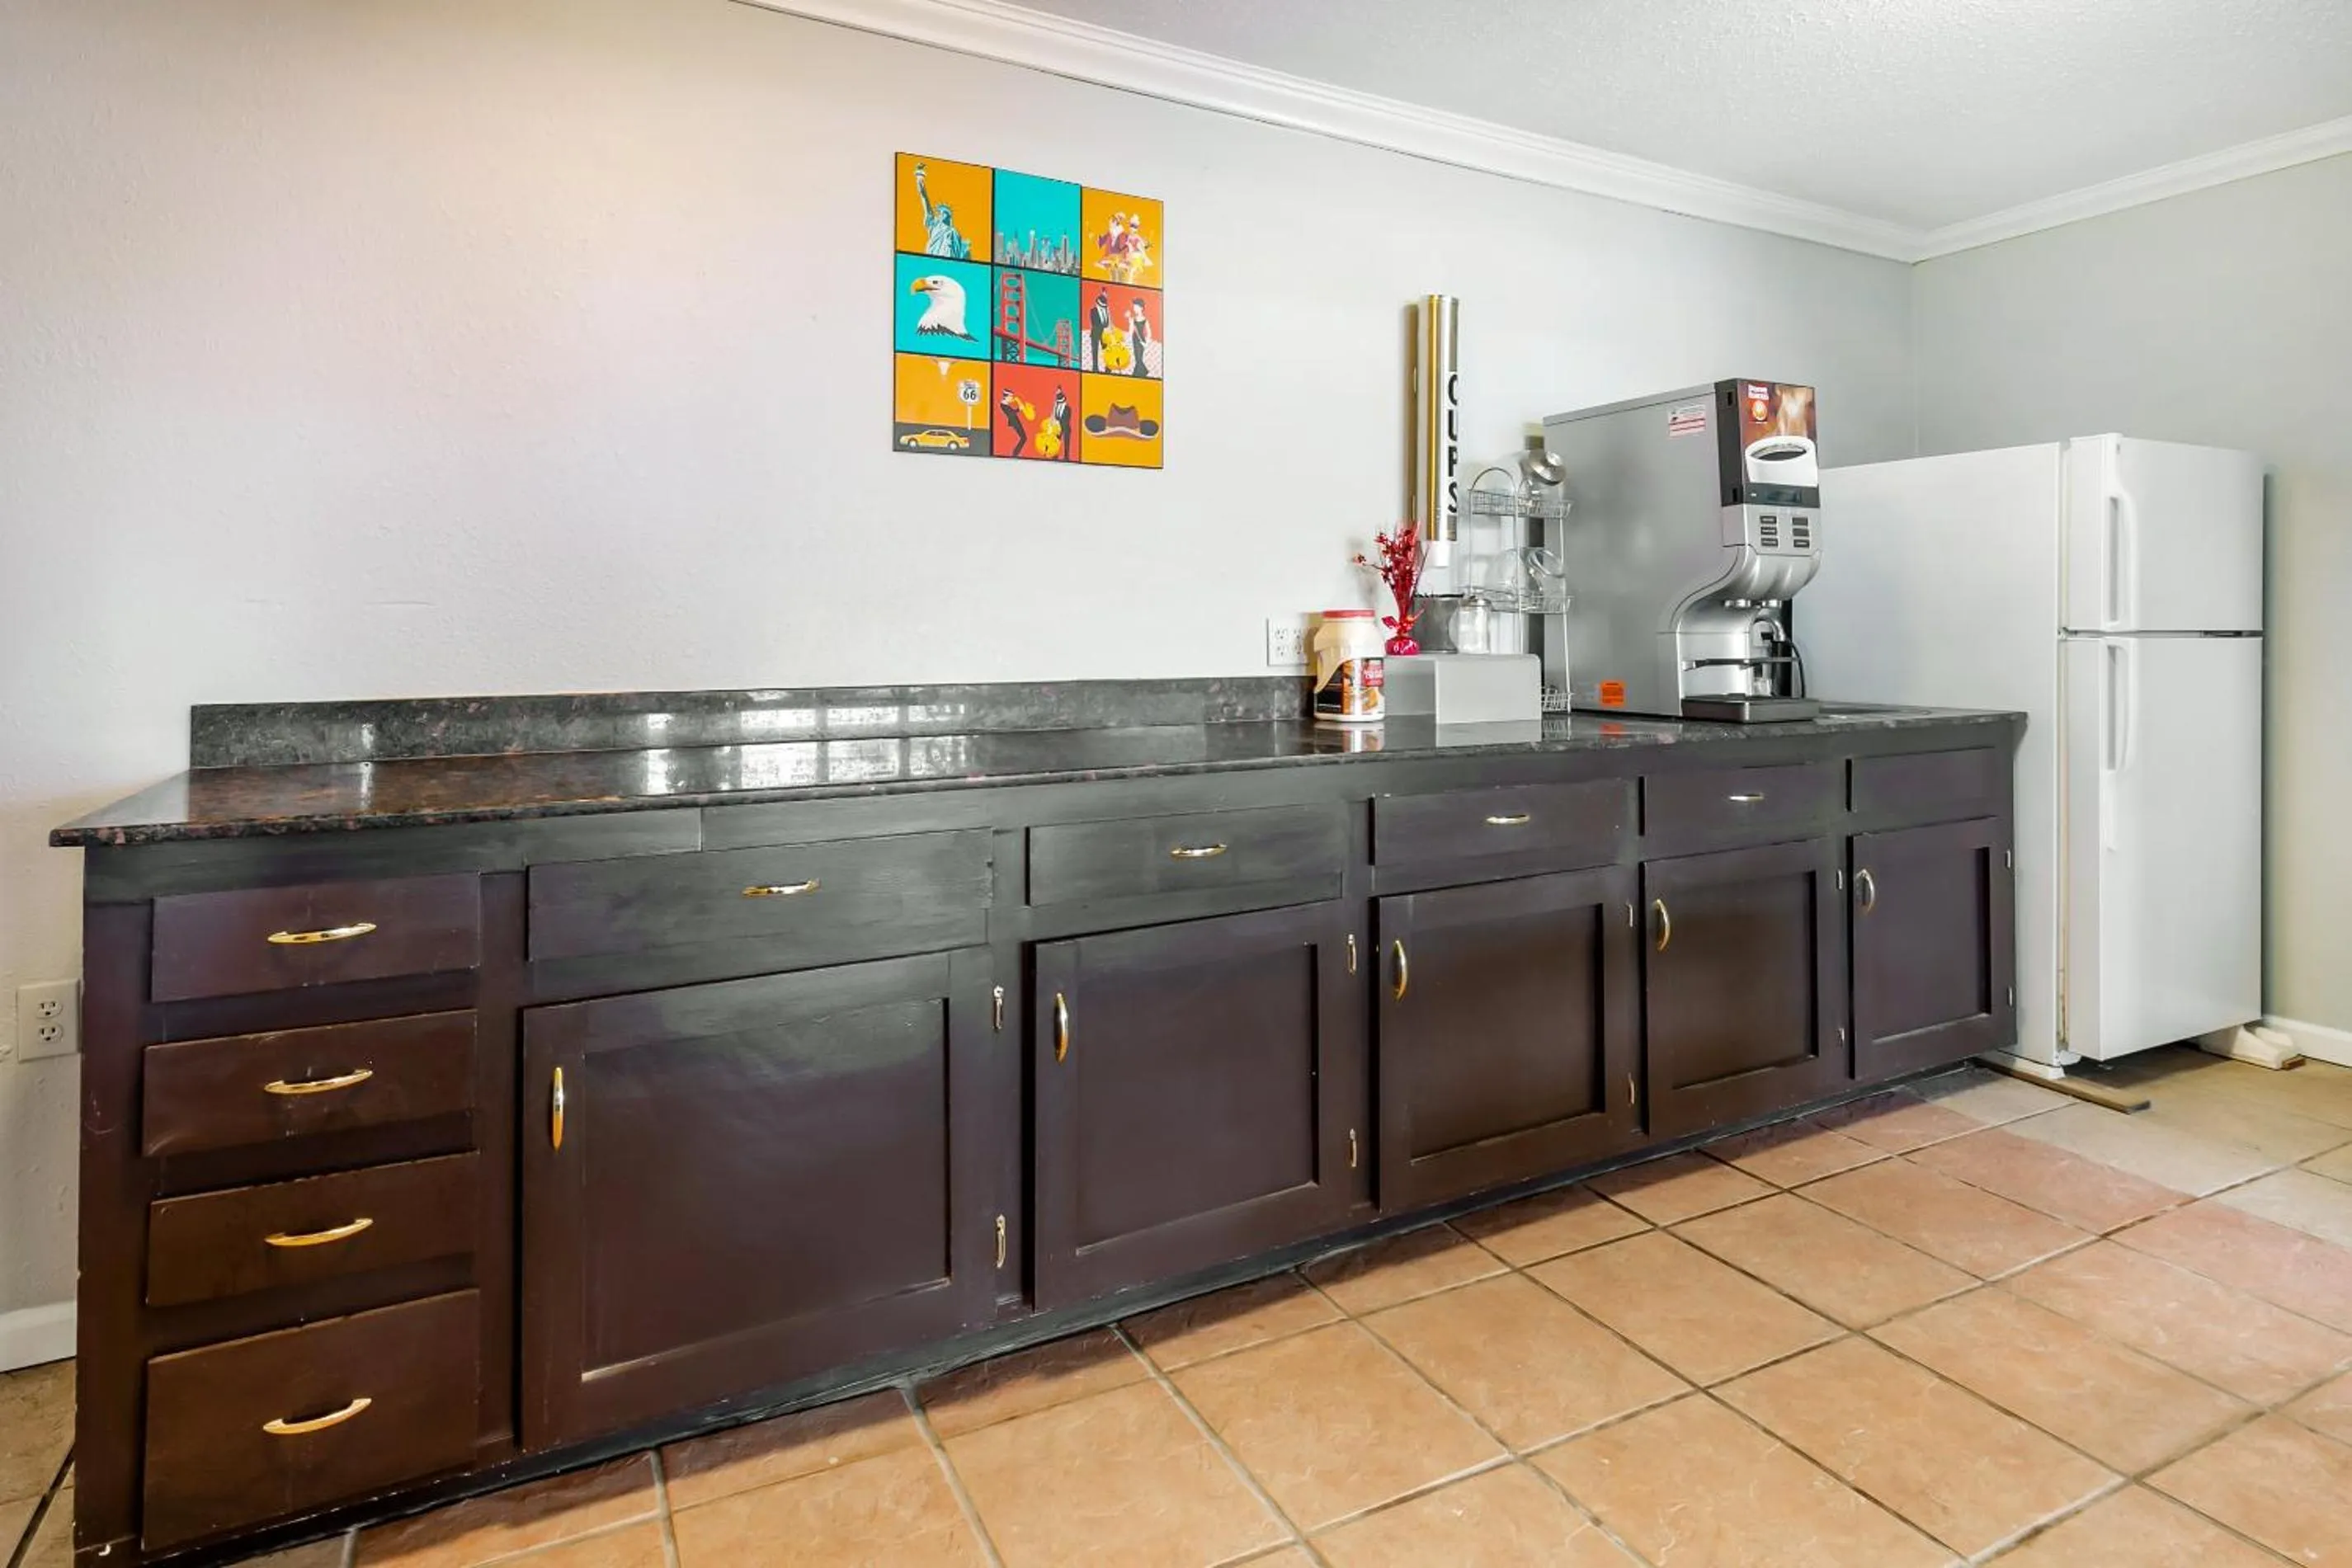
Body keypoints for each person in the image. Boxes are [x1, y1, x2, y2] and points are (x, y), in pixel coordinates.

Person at [913, 162, 970, 260]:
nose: (941, 214)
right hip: (933, 256)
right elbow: (925, 198)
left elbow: (959, 252)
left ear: (949, 216)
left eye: (945, 212)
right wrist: (919, 175)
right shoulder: (934, 224)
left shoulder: (954, 232)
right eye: (940, 213)